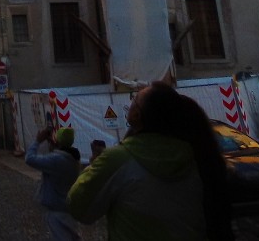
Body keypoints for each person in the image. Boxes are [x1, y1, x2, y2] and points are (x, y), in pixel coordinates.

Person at [68, 82, 232, 241]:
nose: (131, 102)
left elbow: (79, 207)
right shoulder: (196, 156)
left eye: (134, 99)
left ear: (137, 115)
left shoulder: (117, 160)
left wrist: (93, 168)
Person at [26, 125, 82, 241]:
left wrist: (38, 141)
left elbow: (29, 159)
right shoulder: (73, 159)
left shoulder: (56, 160)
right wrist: (56, 145)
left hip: (57, 211)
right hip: (68, 208)